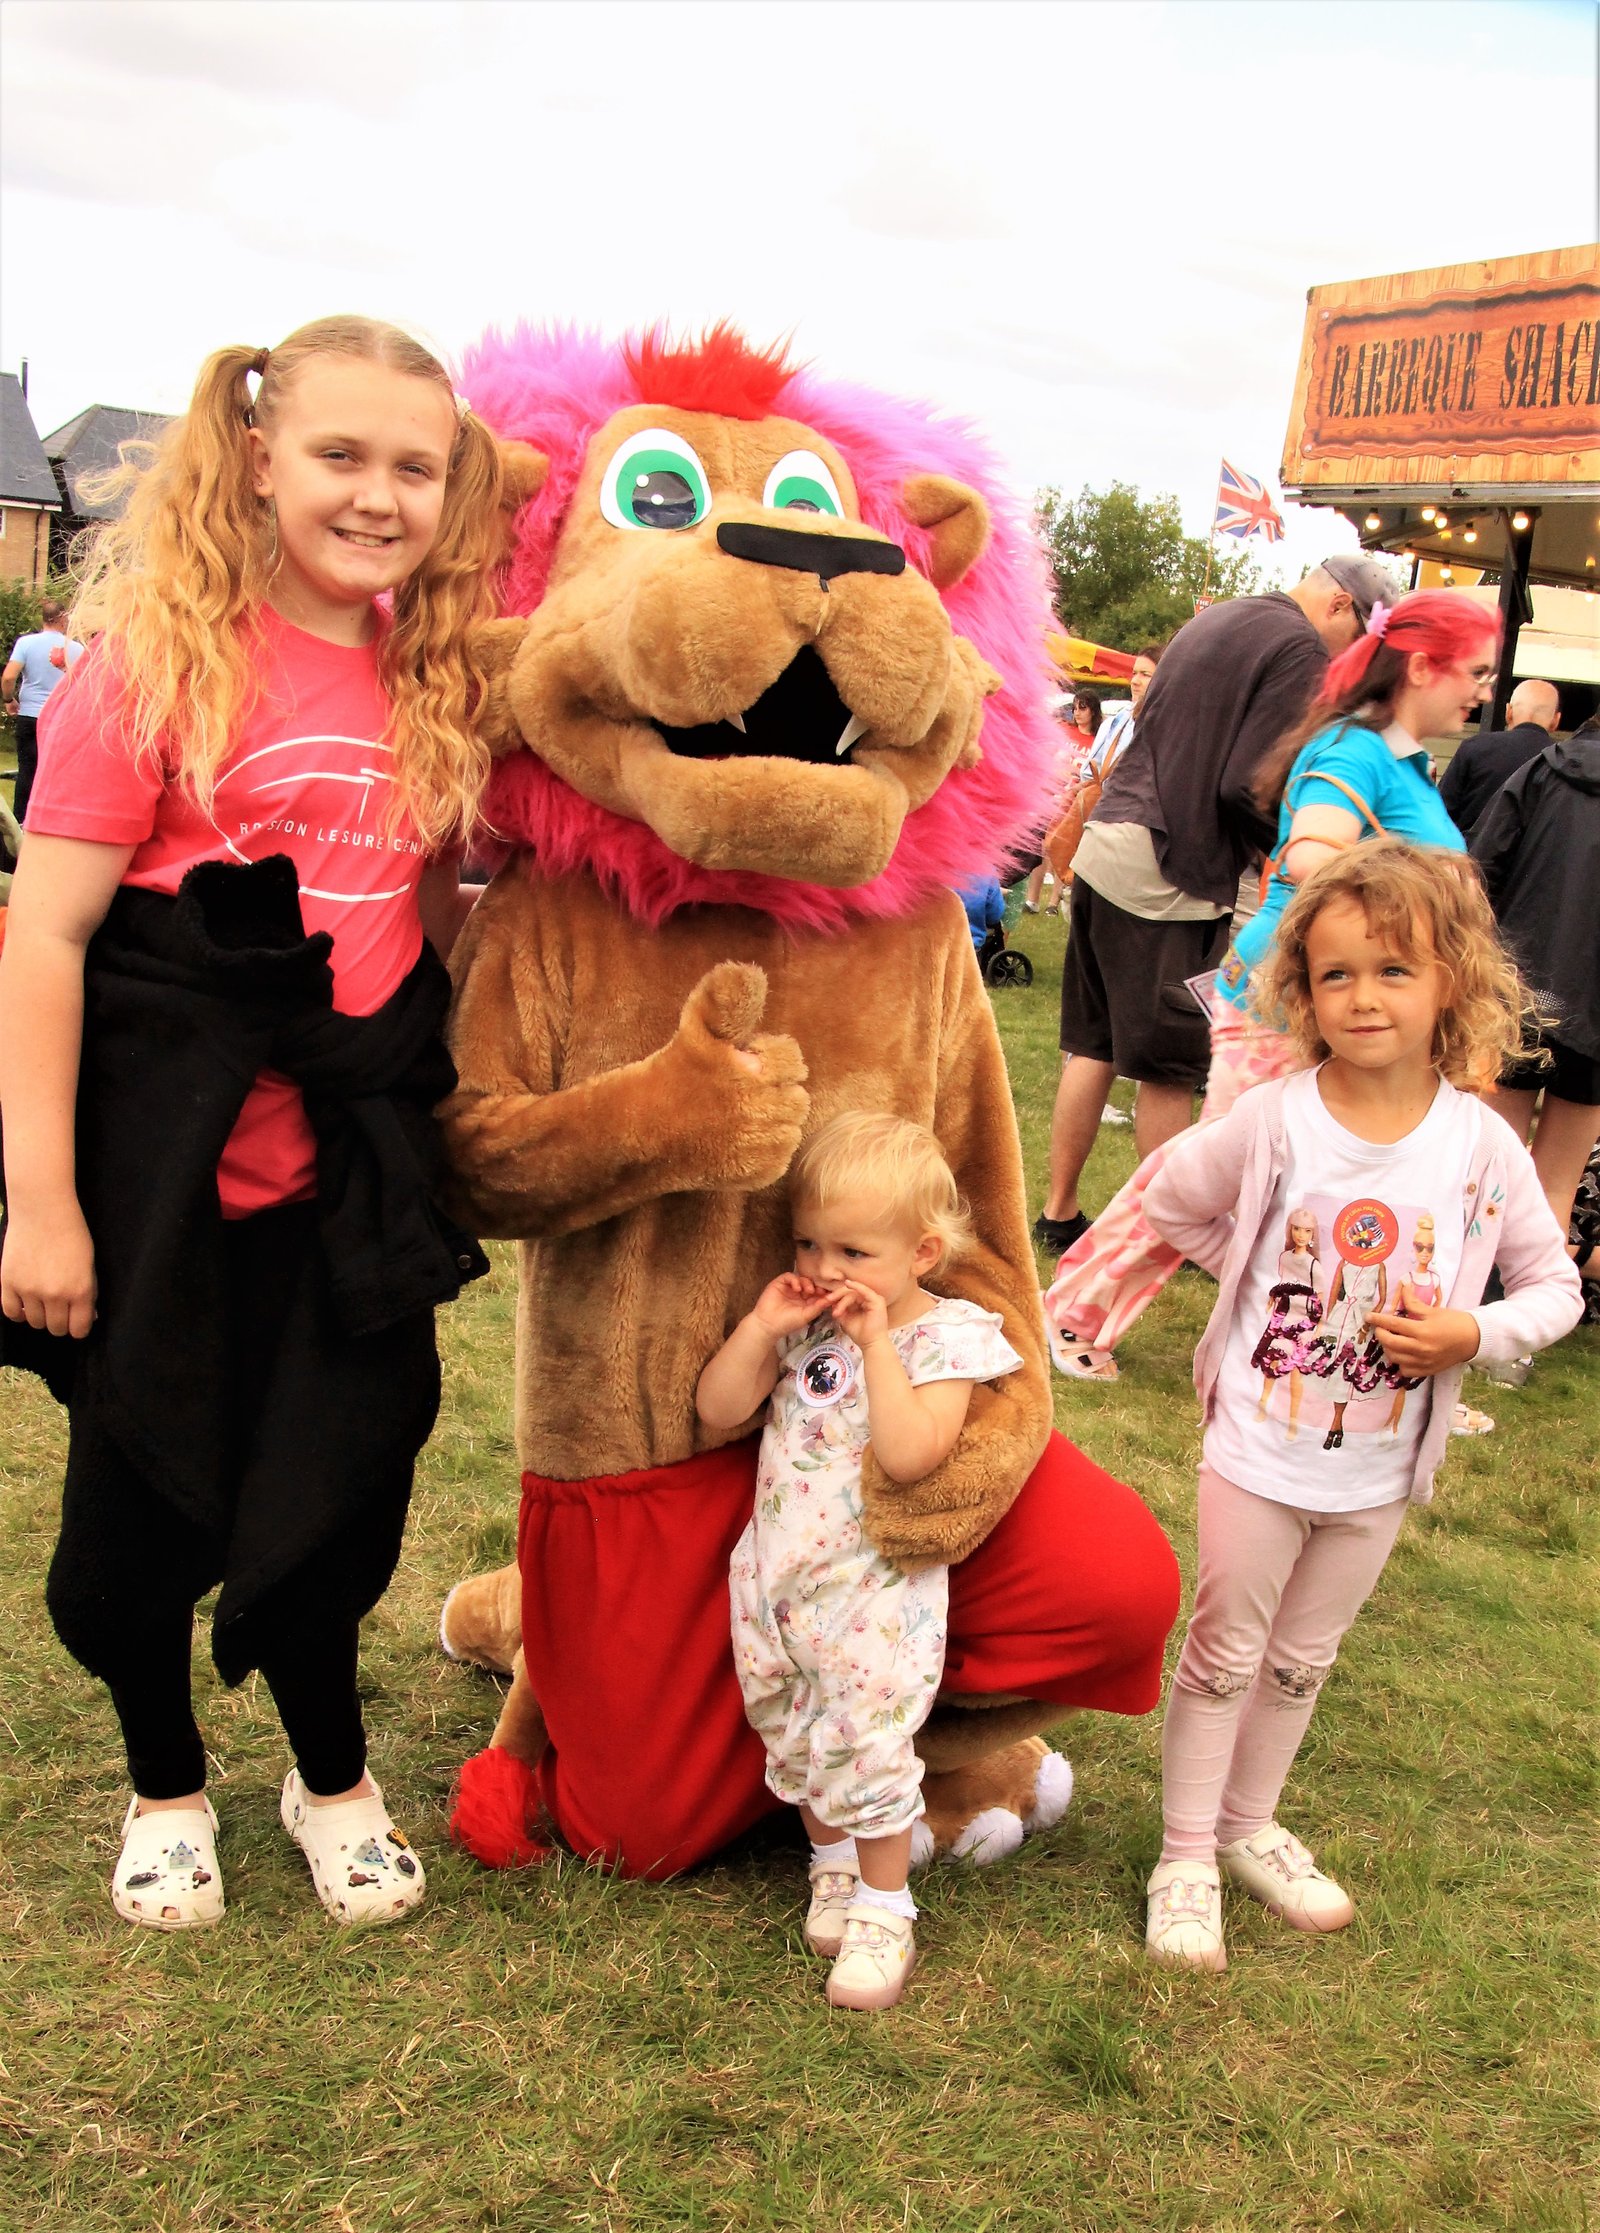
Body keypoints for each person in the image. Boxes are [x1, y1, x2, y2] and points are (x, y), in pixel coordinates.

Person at [0, 317, 510, 1931]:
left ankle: (329, 1770)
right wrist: (41, 1205)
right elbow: (50, 937)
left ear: (452, 484)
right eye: (341, 455)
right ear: (261, 454)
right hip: (164, 1190)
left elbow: (430, 927)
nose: (377, 495)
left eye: (413, 466)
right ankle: (163, 1779)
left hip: (341, 1192)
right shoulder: (150, 664)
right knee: (147, 1497)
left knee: (345, 1487)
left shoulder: (435, 681)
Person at [1140, 842, 1582, 1971]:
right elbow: (1175, 1198)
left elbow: (1553, 1287)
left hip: (1377, 1472)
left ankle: (1248, 1825)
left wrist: (1470, 1334)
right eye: (1334, 975)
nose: (1362, 996)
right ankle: (1185, 1852)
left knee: (1300, 1660)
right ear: (1303, 992)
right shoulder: (1276, 1121)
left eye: (1392, 969)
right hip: (1256, 1448)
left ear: (1452, 982)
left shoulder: (1481, 1143)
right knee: (1225, 1651)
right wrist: (1245, 1284)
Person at [1044, 587, 1494, 1381]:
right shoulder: (1356, 752)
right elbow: (1314, 856)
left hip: (1319, 1005)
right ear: (1424, 667)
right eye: (1477, 672)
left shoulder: (1395, 760)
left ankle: (1307, 1341)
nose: (1483, 692)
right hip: (1288, 1005)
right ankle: (1074, 1311)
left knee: (1262, 1178)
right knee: (1210, 1175)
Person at [696, 1112, 1023, 2011]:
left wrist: (879, 1343)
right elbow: (720, 1408)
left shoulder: (946, 1336)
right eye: (808, 1240)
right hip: (777, 1584)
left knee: (869, 1746)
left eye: (852, 1249)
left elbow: (914, 1451)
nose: (825, 1266)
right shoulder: (803, 1327)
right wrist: (763, 1328)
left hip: (876, 1599)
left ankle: (887, 1906)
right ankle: (833, 1860)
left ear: (921, 1252)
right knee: (794, 1729)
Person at [1034, 554, 1403, 1259]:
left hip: (1112, 841)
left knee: (1096, 1045)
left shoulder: (1226, 614)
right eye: (1360, 638)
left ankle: (1060, 1213)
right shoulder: (1296, 645)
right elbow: (1247, 782)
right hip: (1171, 866)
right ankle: (1165, 1240)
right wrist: (1299, 848)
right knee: (1170, 1069)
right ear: (1338, 607)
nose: (1353, 659)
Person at [1470, 709, 1600, 1358]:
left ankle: (1473, 1308)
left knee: (1495, 1162)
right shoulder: (1542, 770)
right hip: (1597, 1017)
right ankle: (1519, 1338)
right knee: (1555, 1179)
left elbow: (1480, 868)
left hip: (1519, 994)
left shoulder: (1545, 771)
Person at [1439, 677, 1561, 836]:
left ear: (1509, 712)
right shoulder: (1563, 761)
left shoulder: (1474, 747)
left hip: (1467, 856)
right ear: (1556, 720)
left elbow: (1441, 812)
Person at [3, 597, 85, 828]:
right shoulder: (76, 648)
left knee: (27, 769)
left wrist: (9, 699)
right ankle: (51, 822)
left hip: (29, 715)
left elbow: (9, 676)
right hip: (60, 718)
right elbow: (84, 684)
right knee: (56, 771)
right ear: (62, 618)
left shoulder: (26, 643)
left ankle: (20, 822)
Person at [1024, 688, 1102, 914]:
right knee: (1040, 846)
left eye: (1083, 707)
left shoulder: (1098, 740)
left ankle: (1053, 903)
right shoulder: (1064, 731)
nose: (1077, 713)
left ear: (1093, 710)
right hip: (1050, 795)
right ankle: (1032, 899)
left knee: (1064, 846)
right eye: (1075, 707)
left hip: (1074, 799)